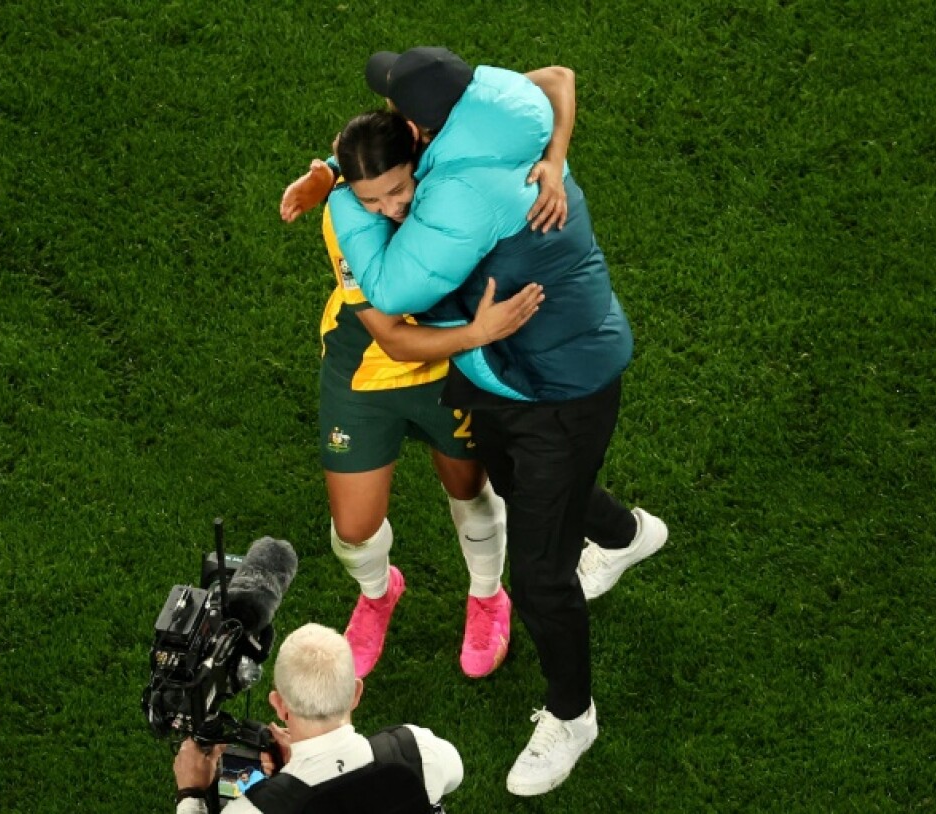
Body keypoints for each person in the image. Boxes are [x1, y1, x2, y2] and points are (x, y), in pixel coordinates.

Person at [325, 48, 669, 796]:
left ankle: (572, 716)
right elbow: (560, 77)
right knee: (520, 491)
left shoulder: (457, 196)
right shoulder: (506, 103)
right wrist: (556, 154)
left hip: (555, 389)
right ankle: (625, 535)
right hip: (521, 378)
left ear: (421, 131)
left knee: (542, 575)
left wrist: (339, 203)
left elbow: (386, 290)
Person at [281, 110, 551, 683]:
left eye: (398, 190)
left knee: (469, 487)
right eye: (370, 200)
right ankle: (378, 595)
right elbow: (393, 338)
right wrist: (482, 332)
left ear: (417, 160)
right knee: (353, 530)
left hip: (449, 373)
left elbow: (525, 102)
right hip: (367, 372)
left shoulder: (449, 180)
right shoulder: (342, 217)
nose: (389, 208)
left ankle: (486, 596)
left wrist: (553, 166)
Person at [172, 623, 463, 813]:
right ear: (356, 693)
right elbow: (453, 776)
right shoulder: (420, 749)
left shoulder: (253, 810)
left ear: (279, 705)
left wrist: (191, 793)